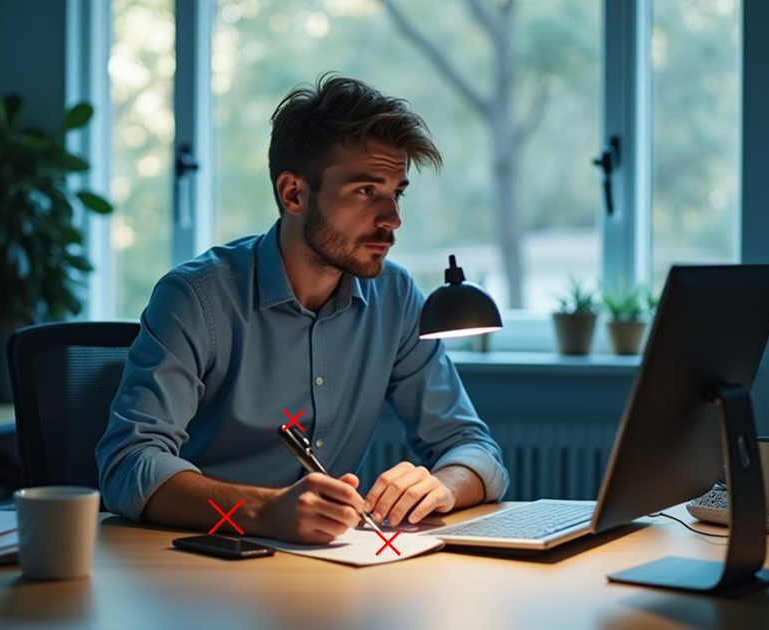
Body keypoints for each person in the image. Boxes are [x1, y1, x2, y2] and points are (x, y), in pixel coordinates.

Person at [96, 74, 508, 544]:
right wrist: (266, 510)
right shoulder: (196, 297)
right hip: (197, 566)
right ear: (293, 194)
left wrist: (440, 487)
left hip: (327, 568)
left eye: (397, 192)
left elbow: (473, 448)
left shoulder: (395, 298)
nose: (393, 219)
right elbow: (130, 464)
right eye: (365, 191)